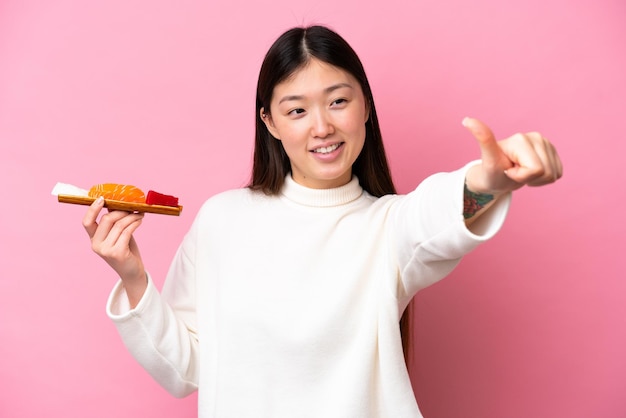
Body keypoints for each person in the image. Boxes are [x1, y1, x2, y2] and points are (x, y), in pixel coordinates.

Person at [82, 25, 562, 418]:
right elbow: (185, 370)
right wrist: (133, 278)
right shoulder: (222, 221)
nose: (322, 127)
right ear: (269, 122)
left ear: (366, 107)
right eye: (297, 110)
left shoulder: (387, 228)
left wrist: (489, 180)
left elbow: (437, 214)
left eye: (338, 101)